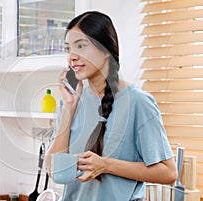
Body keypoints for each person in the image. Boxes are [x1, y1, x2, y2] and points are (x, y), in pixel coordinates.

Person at [45, 11, 177, 201]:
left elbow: (168, 172)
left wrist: (106, 165)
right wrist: (69, 107)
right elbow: (52, 169)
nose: (71, 57)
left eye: (81, 46)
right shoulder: (71, 101)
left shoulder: (139, 102)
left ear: (106, 50)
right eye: (68, 49)